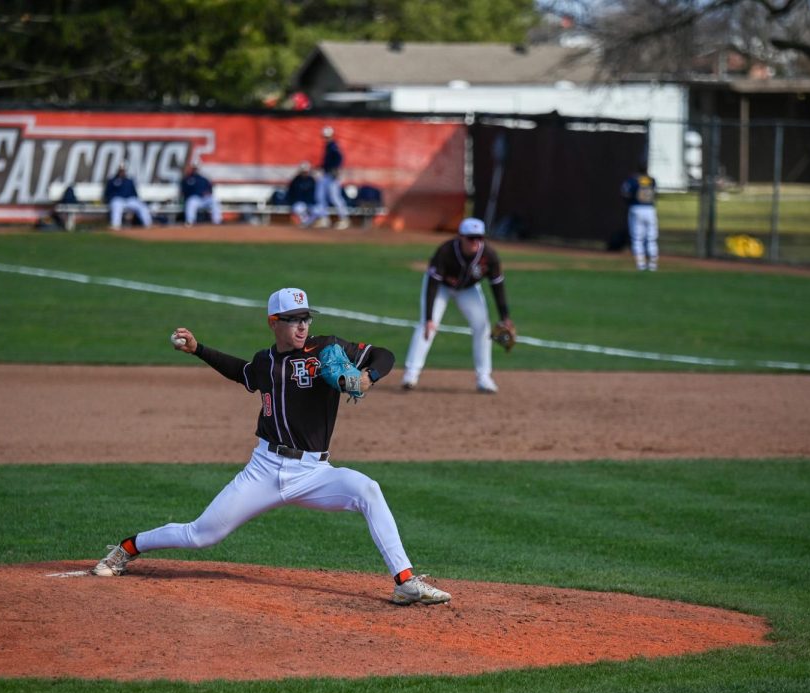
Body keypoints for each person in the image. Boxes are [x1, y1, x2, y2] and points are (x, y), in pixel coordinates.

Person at [90, 287, 452, 607]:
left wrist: (368, 376)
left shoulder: (327, 348)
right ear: (273, 323)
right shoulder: (264, 363)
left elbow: (384, 354)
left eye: (305, 319)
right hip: (263, 471)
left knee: (367, 490)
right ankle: (127, 547)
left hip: (314, 472)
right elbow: (240, 371)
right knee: (201, 535)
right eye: (293, 320)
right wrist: (199, 349)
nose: (302, 327)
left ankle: (405, 582)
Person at [401, 217, 512, 394]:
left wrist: (505, 317)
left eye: (479, 238)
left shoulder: (489, 256)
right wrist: (429, 316)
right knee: (427, 326)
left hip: (467, 290)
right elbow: (432, 284)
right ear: (460, 237)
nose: (475, 242)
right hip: (441, 288)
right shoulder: (445, 251)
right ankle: (411, 374)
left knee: (482, 326)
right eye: (471, 238)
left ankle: (484, 377)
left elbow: (497, 286)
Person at [306, 126, 350, 230]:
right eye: (324, 136)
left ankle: (344, 219)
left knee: (335, 197)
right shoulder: (328, 146)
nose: (325, 138)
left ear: (331, 136)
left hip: (332, 175)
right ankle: (324, 219)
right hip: (326, 174)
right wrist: (319, 168)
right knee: (320, 196)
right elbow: (327, 162)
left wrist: (337, 169)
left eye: (327, 136)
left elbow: (339, 158)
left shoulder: (333, 145)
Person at [621, 161, 658, 271]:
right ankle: (653, 265)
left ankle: (640, 264)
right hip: (650, 209)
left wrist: (628, 202)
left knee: (637, 238)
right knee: (651, 238)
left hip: (636, 208)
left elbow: (625, 193)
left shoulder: (633, 180)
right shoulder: (652, 180)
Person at [103, 164, 152, 230]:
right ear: (118, 171)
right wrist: (109, 199)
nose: (122, 172)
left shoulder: (129, 181)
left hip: (129, 199)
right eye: (120, 170)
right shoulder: (112, 180)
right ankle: (116, 225)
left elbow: (135, 193)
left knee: (142, 206)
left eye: (123, 171)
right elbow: (108, 192)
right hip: (118, 199)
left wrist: (136, 199)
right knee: (116, 206)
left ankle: (148, 224)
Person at [284, 161, 318, 227]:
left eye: (306, 171)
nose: (305, 173)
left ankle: (308, 223)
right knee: (299, 209)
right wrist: (291, 202)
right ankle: (305, 223)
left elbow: (314, 194)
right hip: (298, 202)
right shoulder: (296, 180)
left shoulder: (311, 180)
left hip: (310, 203)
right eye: (303, 171)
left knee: (317, 210)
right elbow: (291, 193)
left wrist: (311, 203)